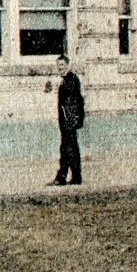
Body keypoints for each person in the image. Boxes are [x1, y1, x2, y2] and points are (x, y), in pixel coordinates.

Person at [52, 55, 85, 185]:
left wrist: (72, 120)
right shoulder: (67, 80)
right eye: (58, 67)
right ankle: (76, 176)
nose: (60, 69)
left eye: (62, 66)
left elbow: (74, 102)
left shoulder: (71, 80)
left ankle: (62, 176)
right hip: (67, 121)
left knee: (66, 148)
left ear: (67, 65)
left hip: (68, 121)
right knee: (71, 148)